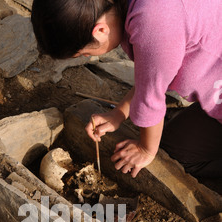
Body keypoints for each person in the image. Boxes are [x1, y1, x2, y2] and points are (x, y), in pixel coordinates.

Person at [31, 0, 222, 179]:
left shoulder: (153, 21)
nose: (89, 57)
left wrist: (146, 150)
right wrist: (120, 113)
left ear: (100, 30)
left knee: (171, 157)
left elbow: (151, 98)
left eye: (85, 53)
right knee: (175, 149)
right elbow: (151, 73)